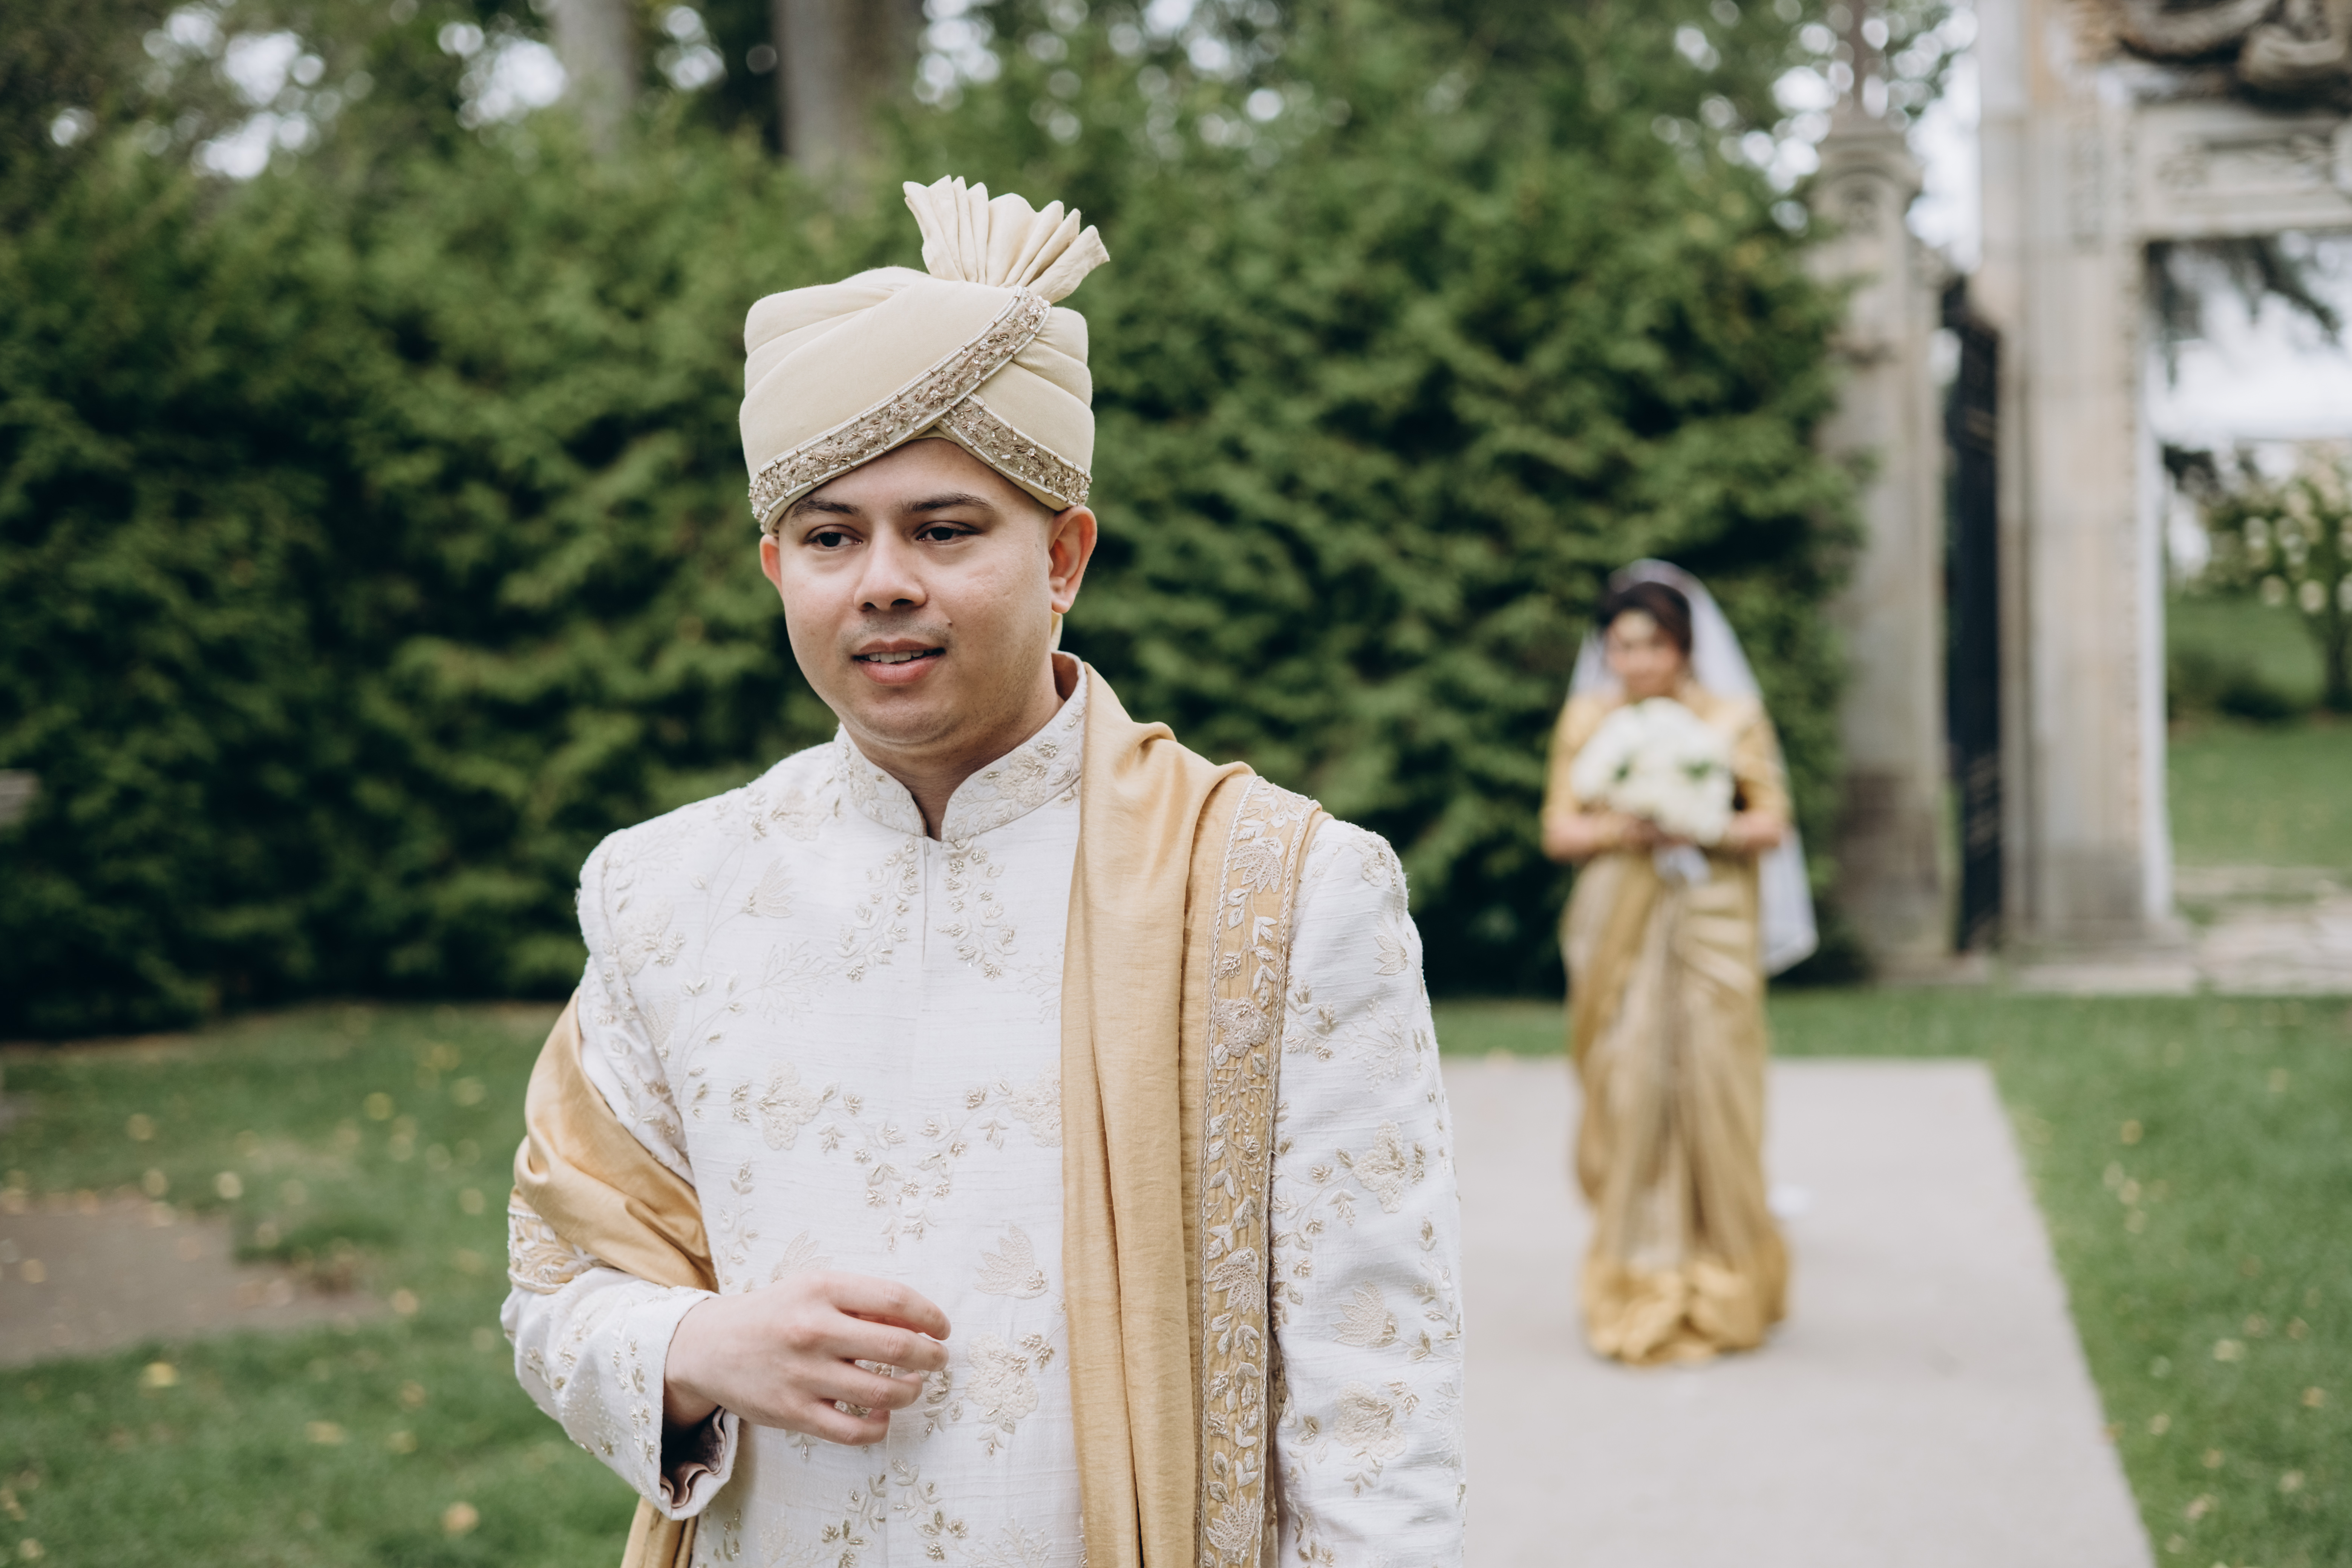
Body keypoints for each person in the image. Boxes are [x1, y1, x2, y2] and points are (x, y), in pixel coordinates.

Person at [500, 176, 1465, 1568]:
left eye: (944, 530)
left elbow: (1377, 1399)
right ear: (776, 567)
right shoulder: (665, 893)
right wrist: (698, 1345)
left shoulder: (1284, 891)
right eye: (831, 537)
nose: (883, 581)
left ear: (1064, 555)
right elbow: (558, 1283)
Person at [1538, 563, 1816, 1367]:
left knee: (1716, 1085)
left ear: (1685, 648)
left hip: (1710, 922)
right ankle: (1636, 1278)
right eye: (1622, 647)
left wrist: (1698, 821)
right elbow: (1560, 830)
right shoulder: (1589, 719)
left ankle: (1731, 1279)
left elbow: (1771, 823)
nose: (1636, 663)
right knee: (1628, 1084)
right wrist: (1630, 826)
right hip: (1617, 923)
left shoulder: (1731, 718)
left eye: (1653, 646)